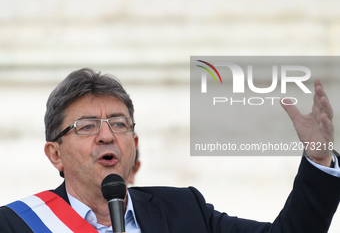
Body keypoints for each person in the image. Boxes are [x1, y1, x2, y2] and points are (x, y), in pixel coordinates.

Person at [0, 68, 340, 233]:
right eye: (87, 126)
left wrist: (319, 158)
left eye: (119, 123)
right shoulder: (16, 224)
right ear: (54, 154)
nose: (107, 136)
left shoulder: (184, 209)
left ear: (133, 145)